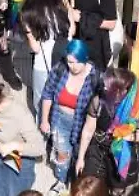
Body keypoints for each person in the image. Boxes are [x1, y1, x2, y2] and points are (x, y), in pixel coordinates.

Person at [40, 40, 101, 190]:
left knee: (80, 157)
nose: (70, 66)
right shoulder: (60, 69)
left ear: (85, 59)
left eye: (74, 63)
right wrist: (44, 120)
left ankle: (76, 184)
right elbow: (47, 94)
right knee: (62, 154)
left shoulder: (95, 78)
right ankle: (61, 181)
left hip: (81, 123)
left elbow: (96, 110)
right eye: (68, 62)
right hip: (59, 119)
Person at [76, 68, 139, 193]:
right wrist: (80, 157)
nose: (103, 88)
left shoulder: (134, 110)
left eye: (107, 87)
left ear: (121, 91)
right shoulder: (98, 101)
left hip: (121, 152)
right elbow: (88, 130)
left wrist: (128, 137)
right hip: (98, 148)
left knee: (117, 188)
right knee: (90, 184)